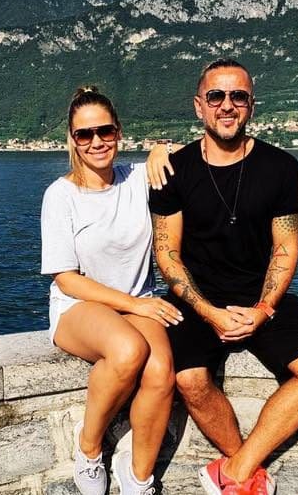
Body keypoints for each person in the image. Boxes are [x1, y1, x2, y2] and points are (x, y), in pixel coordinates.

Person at [149, 59, 298, 495]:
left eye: (238, 96)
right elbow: (167, 253)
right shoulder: (172, 171)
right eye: (216, 96)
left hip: (262, 296)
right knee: (189, 378)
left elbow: (285, 248)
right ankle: (247, 473)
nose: (227, 105)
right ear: (199, 105)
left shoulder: (281, 167)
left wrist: (264, 308)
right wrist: (208, 312)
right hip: (196, 300)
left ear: (251, 105)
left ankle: (235, 473)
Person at [40, 87, 182, 495]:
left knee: (161, 372)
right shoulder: (61, 196)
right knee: (127, 350)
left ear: (119, 132)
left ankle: (138, 477)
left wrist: (162, 148)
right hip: (78, 306)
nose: (96, 141)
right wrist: (135, 304)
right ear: (72, 140)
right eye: (84, 134)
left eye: (105, 131)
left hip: (137, 304)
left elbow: (199, 154)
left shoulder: (138, 178)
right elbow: (66, 278)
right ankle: (89, 448)